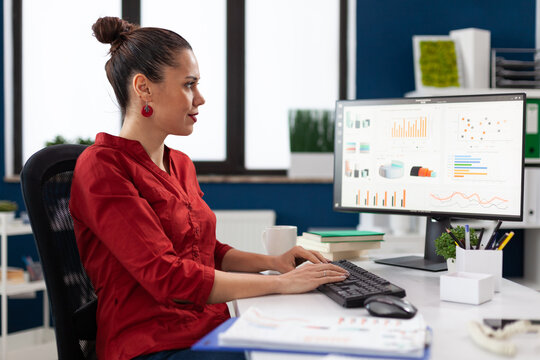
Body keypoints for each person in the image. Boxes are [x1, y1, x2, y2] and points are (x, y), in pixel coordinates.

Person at [69, 16, 349, 360]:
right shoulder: (102, 167)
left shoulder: (181, 164)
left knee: (316, 337)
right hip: (150, 345)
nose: (199, 98)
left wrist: (275, 263)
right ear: (144, 87)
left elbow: (207, 252)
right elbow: (168, 276)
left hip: (207, 328)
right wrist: (280, 284)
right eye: (189, 84)